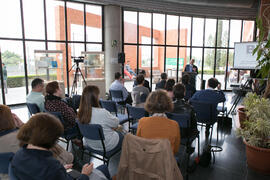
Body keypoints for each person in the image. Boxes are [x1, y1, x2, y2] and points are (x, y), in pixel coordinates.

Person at [10, 113, 108, 180]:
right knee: (103, 170)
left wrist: (61, 170)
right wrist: (84, 175)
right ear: (51, 139)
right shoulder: (51, 166)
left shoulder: (18, 156)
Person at [0, 105, 73, 165]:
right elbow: (67, 158)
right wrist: (23, 126)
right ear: (11, 118)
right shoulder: (28, 138)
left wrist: (23, 126)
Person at [78, 85, 123, 152]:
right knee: (122, 135)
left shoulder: (80, 112)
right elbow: (116, 123)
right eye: (98, 95)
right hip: (106, 146)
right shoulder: (102, 112)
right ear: (95, 98)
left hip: (89, 143)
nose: (99, 97)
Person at [136, 90, 180, 155]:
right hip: (166, 161)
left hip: (147, 160)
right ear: (168, 104)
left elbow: (140, 144)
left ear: (149, 103)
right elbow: (175, 150)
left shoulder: (142, 121)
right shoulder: (174, 125)